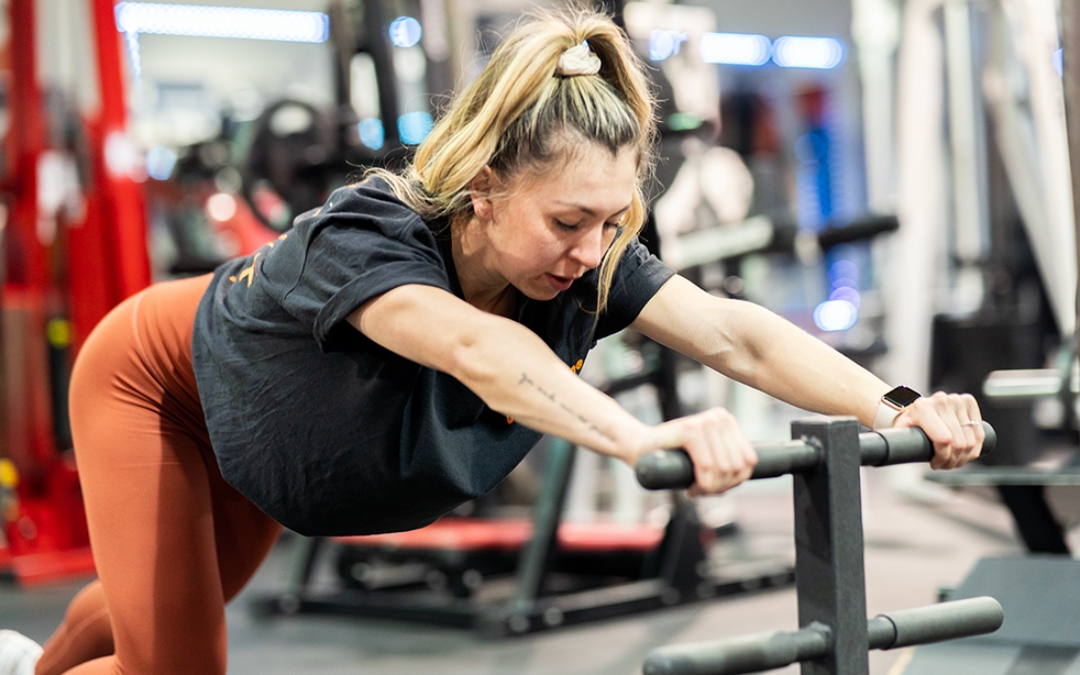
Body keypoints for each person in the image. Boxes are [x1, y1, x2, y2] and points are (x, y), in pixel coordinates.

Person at [0, 10, 985, 675]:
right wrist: (640, 442)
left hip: (267, 428)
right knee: (176, 663)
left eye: (610, 221)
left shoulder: (593, 262)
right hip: (160, 383)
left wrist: (893, 406)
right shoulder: (371, 236)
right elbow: (478, 352)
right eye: (567, 222)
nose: (593, 250)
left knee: (171, 604)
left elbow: (734, 332)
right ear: (483, 188)